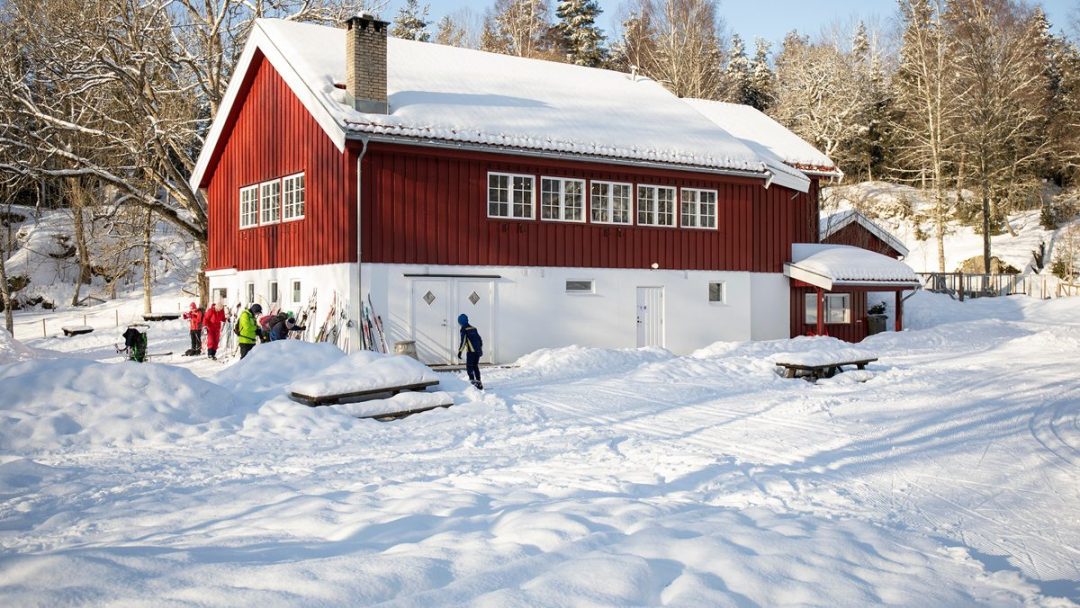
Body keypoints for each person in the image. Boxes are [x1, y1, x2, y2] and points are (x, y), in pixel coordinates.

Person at [456, 313, 483, 390]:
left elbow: (463, 341)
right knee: (475, 366)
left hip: (471, 352)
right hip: (477, 351)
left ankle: (472, 382)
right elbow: (479, 339)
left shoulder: (463, 329)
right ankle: (479, 381)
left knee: (469, 367)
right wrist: (480, 348)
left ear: (461, 322)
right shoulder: (474, 328)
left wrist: (460, 351)